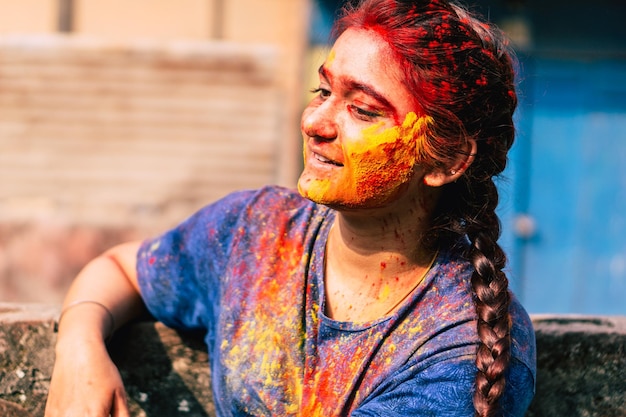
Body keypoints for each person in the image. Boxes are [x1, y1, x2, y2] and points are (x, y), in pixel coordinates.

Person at [44, 0, 536, 416]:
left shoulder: (462, 350)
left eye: (362, 109)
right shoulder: (258, 231)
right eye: (323, 91)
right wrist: (79, 343)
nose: (316, 122)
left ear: (447, 158)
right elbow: (123, 269)